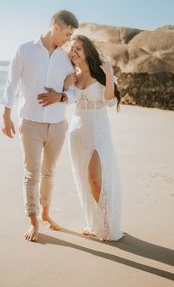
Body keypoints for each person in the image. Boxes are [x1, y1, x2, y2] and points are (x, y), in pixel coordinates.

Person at [1, 10, 79, 242]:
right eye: (67, 33)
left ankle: (46, 214)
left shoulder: (66, 59)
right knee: (31, 174)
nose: (68, 39)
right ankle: (33, 220)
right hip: (31, 122)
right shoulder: (25, 50)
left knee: (49, 172)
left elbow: (74, 90)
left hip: (57, 124)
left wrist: (62, 97)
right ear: (55, 26)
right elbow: (11, 84)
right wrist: (6, 115)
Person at [64, 35, 123, 241]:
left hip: (98, 131)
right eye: (71, 49)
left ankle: (106, 224)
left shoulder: (101, 73)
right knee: (83, 179)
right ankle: (94, 222)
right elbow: (67, 98)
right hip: (77, 131)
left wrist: (109, 74)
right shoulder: (72, 75)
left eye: (78, 48)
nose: (74, 53)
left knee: (96, 179)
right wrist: (66, 82)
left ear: (87, 50)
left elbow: (108, 100)